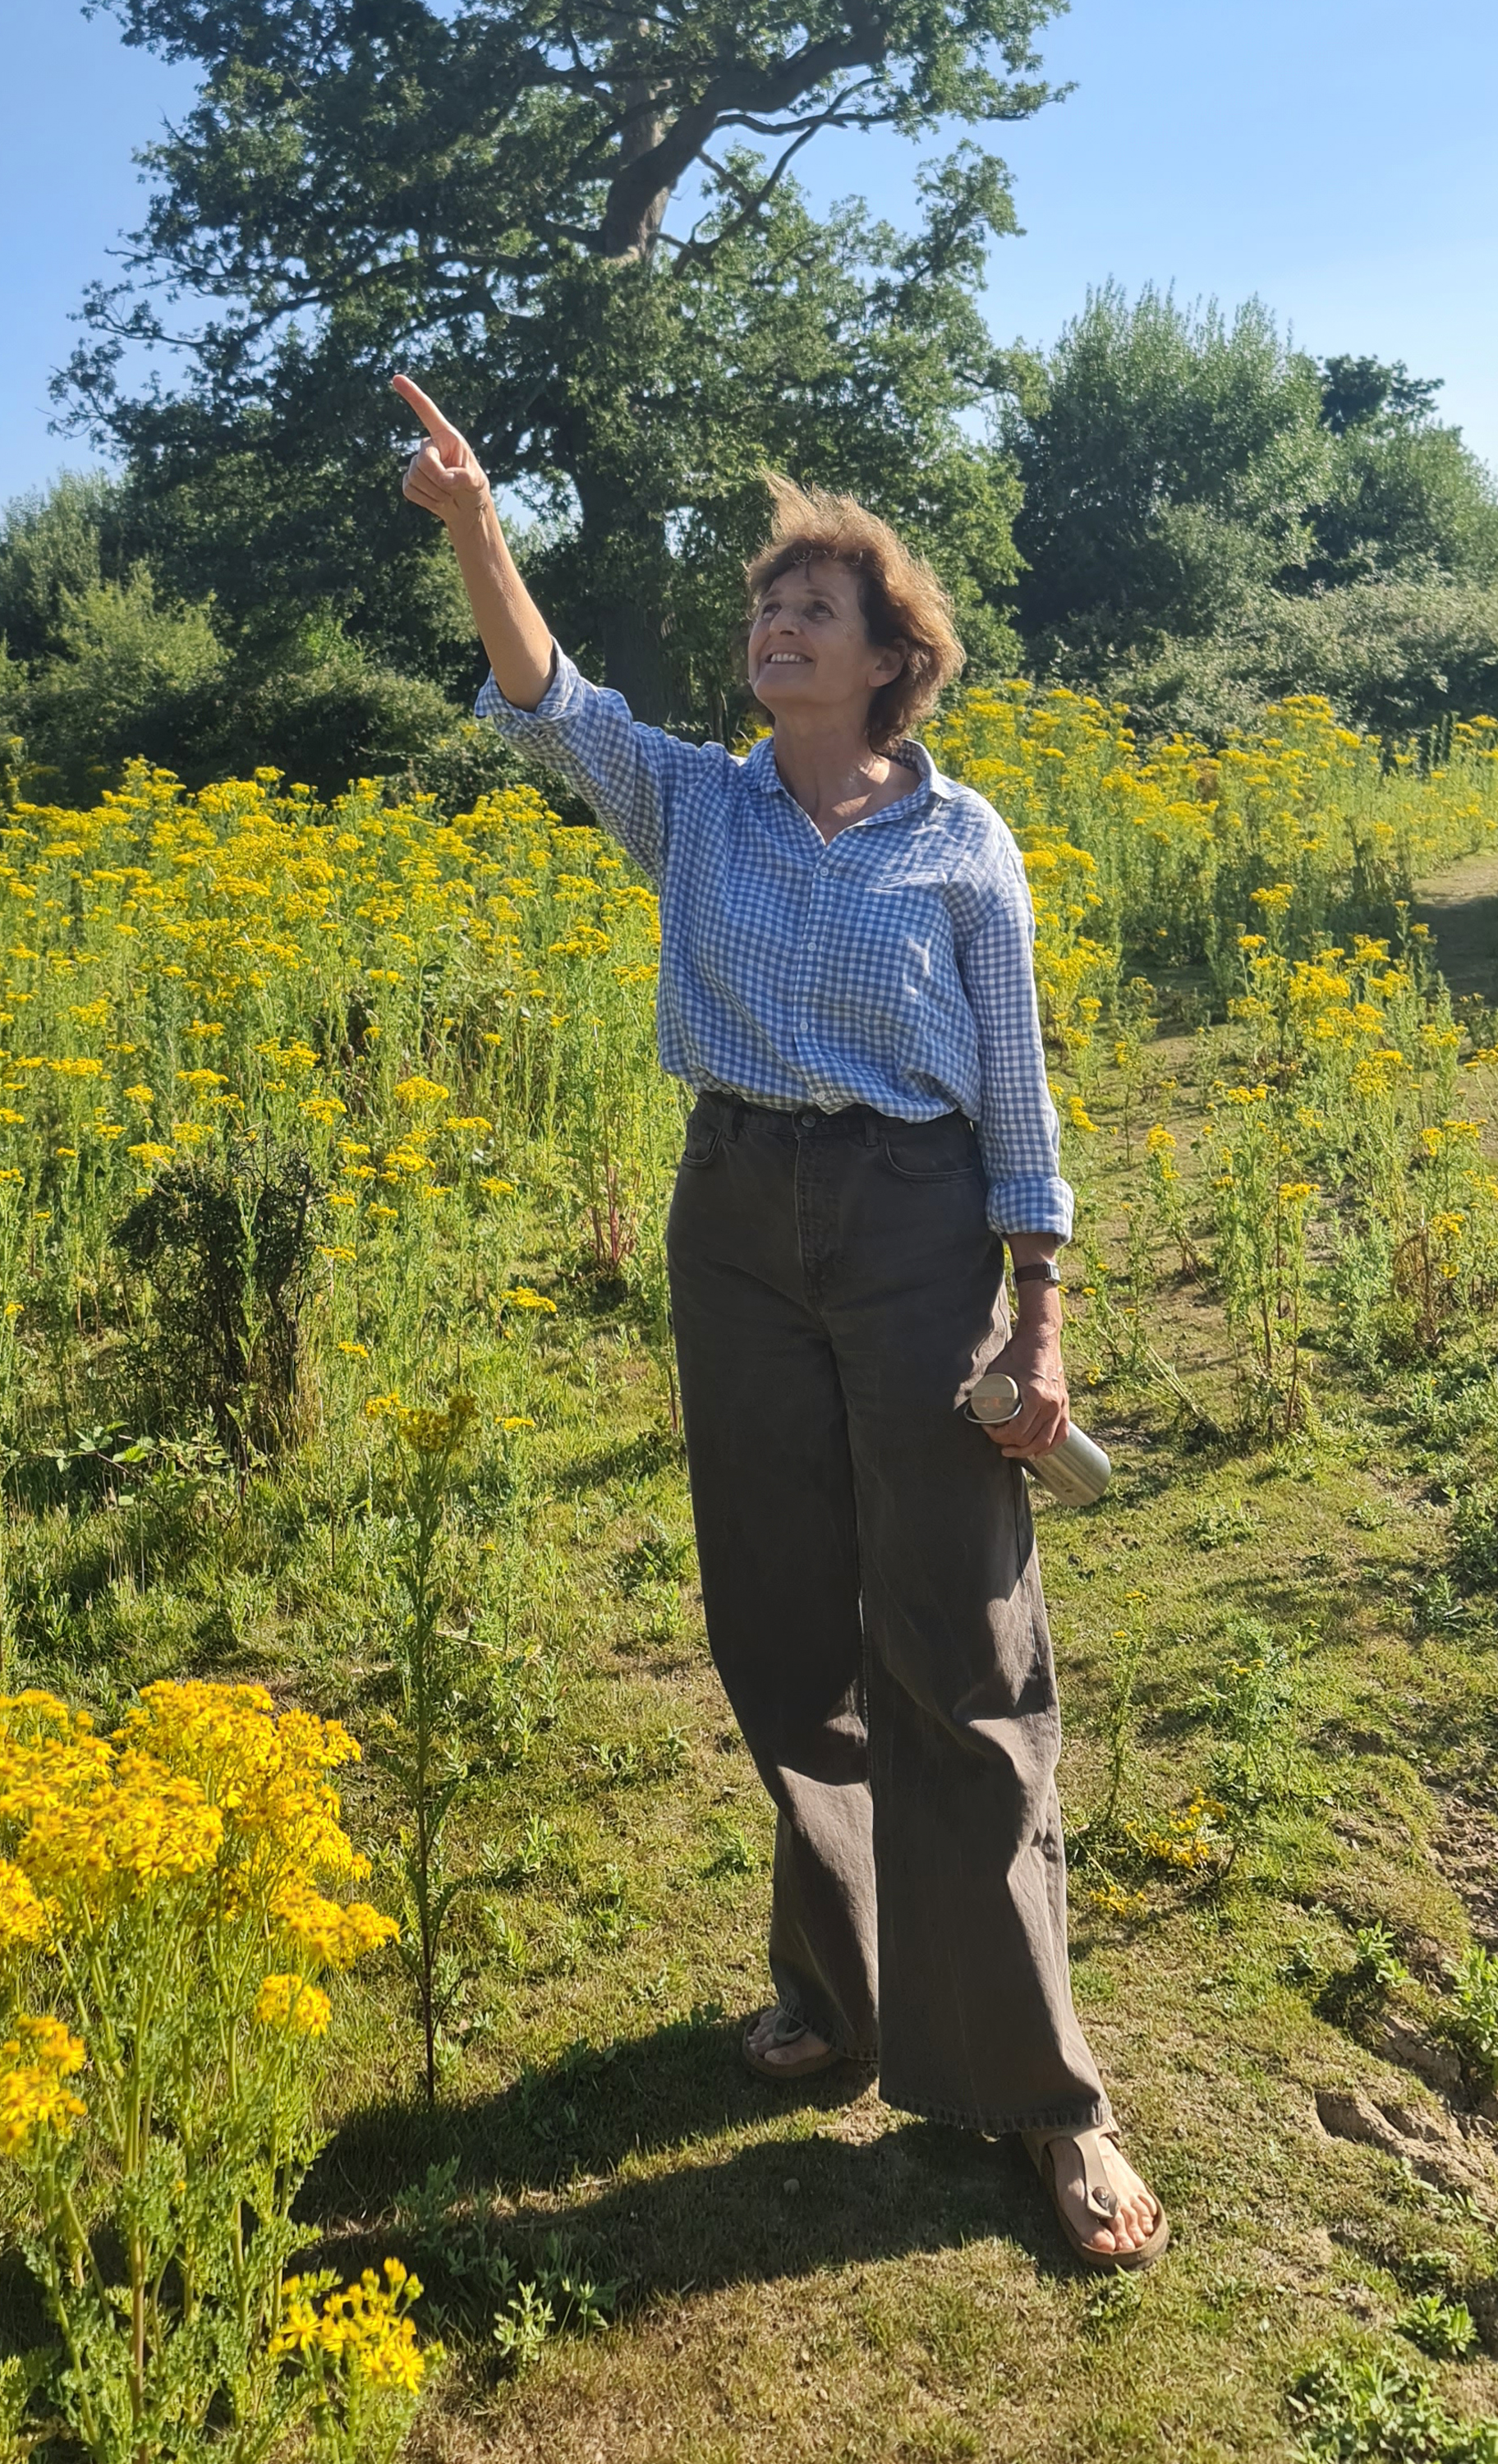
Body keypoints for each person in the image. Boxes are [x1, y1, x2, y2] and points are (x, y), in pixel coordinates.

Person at [393, 374, 1166, 2272]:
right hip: (734, 1220)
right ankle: (843, 1991)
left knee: (961, 1643)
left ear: (892, 660)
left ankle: (1048, 2097)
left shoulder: (965, 846)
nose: (776, 627)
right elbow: (549, 699)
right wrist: (479, 529)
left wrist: (1041, 1315)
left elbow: (1017, 1095)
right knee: (778, 1623)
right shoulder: (697, 806)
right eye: (765, 606)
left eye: (814, 608)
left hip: (914, 1230)